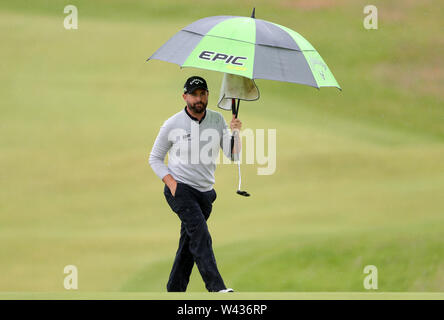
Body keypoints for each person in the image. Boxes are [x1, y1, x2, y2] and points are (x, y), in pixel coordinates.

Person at [149, 76, 242, 292]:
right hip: (181, 190)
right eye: (194, 94)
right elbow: (154, 158)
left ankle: (174, 291)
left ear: (208, 95)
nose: (198, 99)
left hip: (205, 194)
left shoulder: (217, 120)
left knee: (188, 246)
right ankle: (216, 287)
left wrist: (235, 132)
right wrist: (171, 183)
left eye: (202, 94)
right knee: (200, 234)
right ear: (185, 97)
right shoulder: (173, 124)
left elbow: (233, 155)